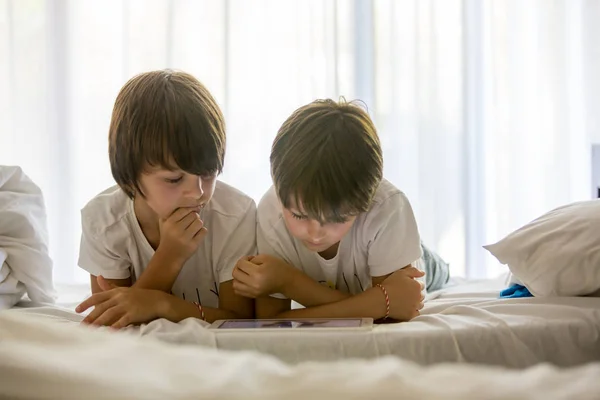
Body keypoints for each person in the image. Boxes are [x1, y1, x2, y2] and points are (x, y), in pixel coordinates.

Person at [232, 99, 449, 321]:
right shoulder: (272, 210)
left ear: (366, 201)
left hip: (413, 258)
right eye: (298, 215)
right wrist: (379, 302)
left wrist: (289, 282)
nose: (315, 233)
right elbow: (272, 320)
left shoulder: (387, 207)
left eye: (337, 219)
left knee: (437, 269)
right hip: (358, 277)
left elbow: (397, 313)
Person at [75, 70, 256, 328]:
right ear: (129, 178)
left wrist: (162, 304)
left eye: (208, 175)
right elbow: (113, 323)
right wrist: (169, 257)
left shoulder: (236, 215)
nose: (197, 192)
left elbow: (242, 322)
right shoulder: (103, 220)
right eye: (173, 179)